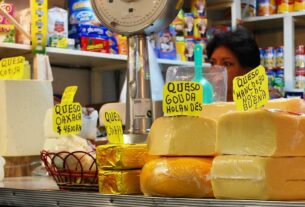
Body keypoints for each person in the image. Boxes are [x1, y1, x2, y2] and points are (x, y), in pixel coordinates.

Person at [206, 26, 261, 101]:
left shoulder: (267, 107)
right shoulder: (205, 106)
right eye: (213, 63)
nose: (217, 73)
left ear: (249, 71)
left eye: (227, 64)